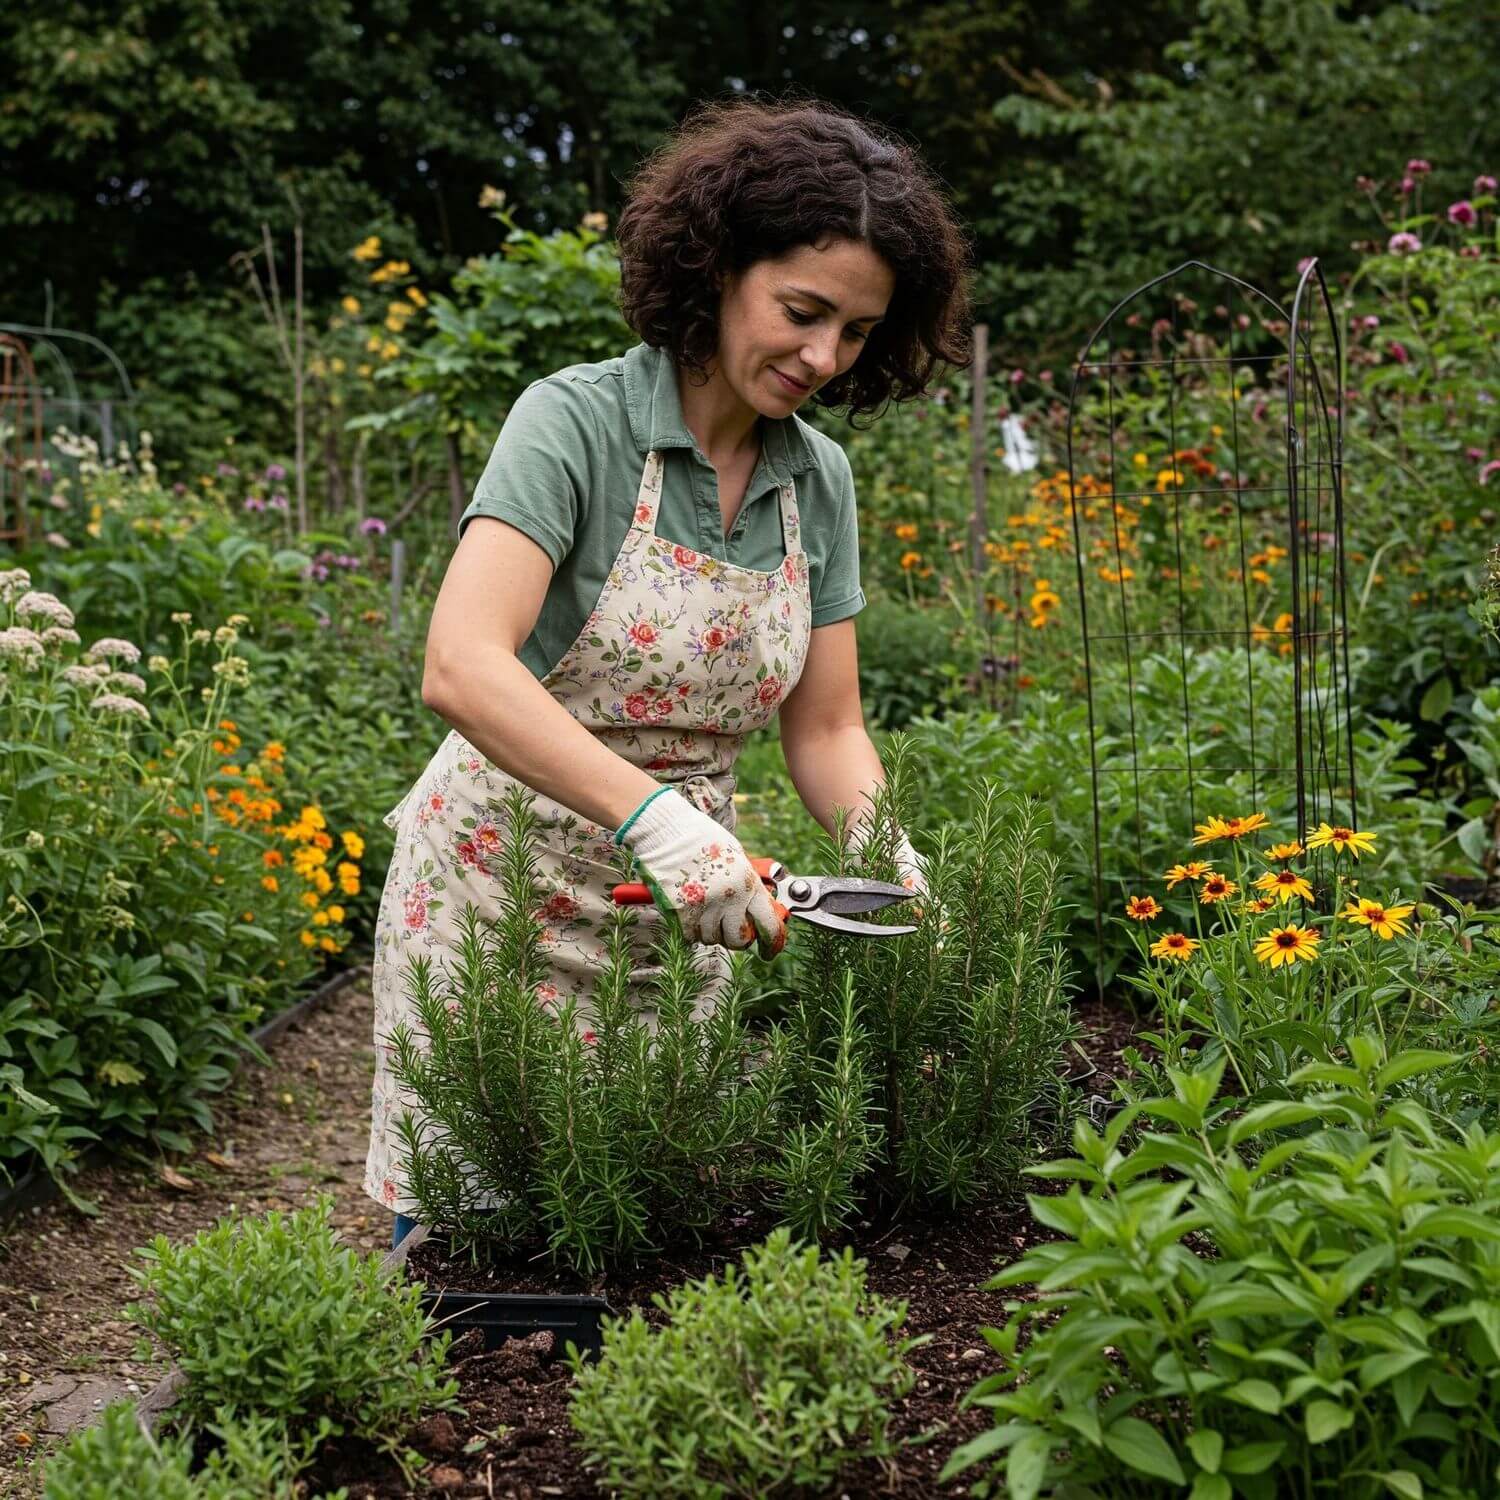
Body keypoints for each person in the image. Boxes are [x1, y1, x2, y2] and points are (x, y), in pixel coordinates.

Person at [367, 94, 972, 1246]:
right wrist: (655, 817)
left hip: (688, 912)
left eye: (854, 333)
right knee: (478, 1260)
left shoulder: (817, 482)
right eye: (801, 312)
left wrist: (893, 861)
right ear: (717, 267)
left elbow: (828, 729)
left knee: (649, 1236)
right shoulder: (575, 425)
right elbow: (461, 664)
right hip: (497, 898)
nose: (821, 357)